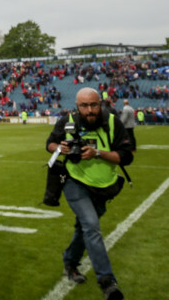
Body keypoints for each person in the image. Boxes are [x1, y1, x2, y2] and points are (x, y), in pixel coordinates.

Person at [46, 87, 133, 300]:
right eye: (84, 106)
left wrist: (98, 153)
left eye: (93, 105)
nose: (90, 110)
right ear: (77, 106)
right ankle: (107, 282)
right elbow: (49, 144)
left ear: (100, 103)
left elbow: (126, 157)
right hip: (74, 181)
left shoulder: (113, 122)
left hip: (105, 186)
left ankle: (70, 261)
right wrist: (60, 149)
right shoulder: (67, 121)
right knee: (92, 227)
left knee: (84, 228)